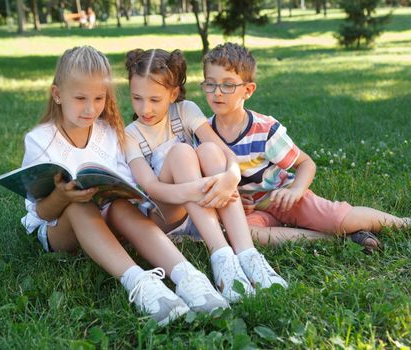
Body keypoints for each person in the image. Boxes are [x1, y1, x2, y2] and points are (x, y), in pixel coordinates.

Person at [20, 46, 228, 326]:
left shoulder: (108, 132)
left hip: (109, 220)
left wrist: (121, 195)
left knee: (118, 205)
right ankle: (141, 285)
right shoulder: (40, 140)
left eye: (99, 98)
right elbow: (42, 213)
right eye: (80, 98)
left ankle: (187, 277)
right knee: (80, 205)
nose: (90, 108)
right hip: (63, 230)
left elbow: (127, 186)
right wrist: (61, 194)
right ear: (58, 94)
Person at [200, 42, 411, 253]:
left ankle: (410, 224)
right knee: (246, 235)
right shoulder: (203, 133)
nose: (217, 92)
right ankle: (336, 240)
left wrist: (297, 191)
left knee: (339, 219)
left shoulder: (263, 129)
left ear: (248, 90)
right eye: (210, 83)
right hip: (254, 211)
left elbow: (305, 163)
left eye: (228, 84)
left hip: (286, 197)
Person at [123, 48, 288, 303]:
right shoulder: (131, 134)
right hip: (166, 213)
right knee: (181, 152)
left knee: (209, 150)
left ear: (173, 94)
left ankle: (247, 255)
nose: (145, 108)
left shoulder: (185, 110)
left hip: (201, 206)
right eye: (137, 98)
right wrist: (200, 188)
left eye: (155, 100)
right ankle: (221, 256)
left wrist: (230, 178)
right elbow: (151, 187)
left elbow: (225, 154)